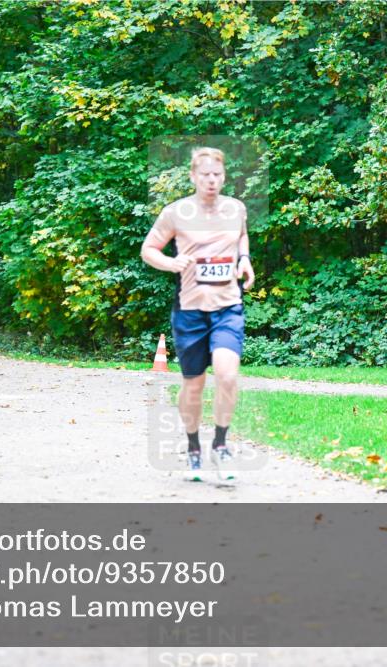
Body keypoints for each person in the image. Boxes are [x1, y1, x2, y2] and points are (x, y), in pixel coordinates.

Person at [141, 147, 255, 481]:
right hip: (190, 310)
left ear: (224, 177)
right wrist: (171, 263)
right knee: (193, 385)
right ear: (193, 176)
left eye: (217, 175)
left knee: (228, 375)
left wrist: (244, 259)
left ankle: (220, 446)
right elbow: (148, 250)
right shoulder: (175, 213)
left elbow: (242, 238)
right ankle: (193, 449)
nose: (211, 180)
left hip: (227, 306)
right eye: (205, 175)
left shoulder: (236, 209)